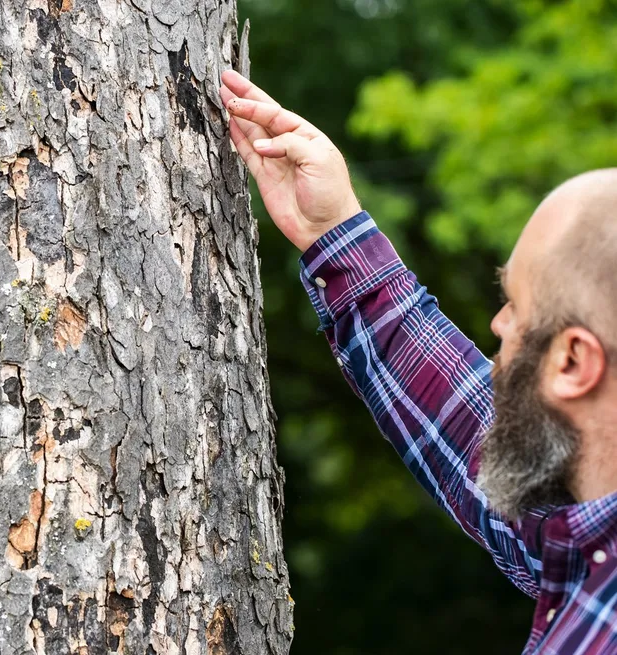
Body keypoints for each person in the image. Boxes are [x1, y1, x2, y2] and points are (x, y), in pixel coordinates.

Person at [218, 69, 617, 653]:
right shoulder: (585, 542)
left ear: (574, 362)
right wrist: (331, 230)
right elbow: (465, 424)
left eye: (515, 306)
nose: (498, 325)